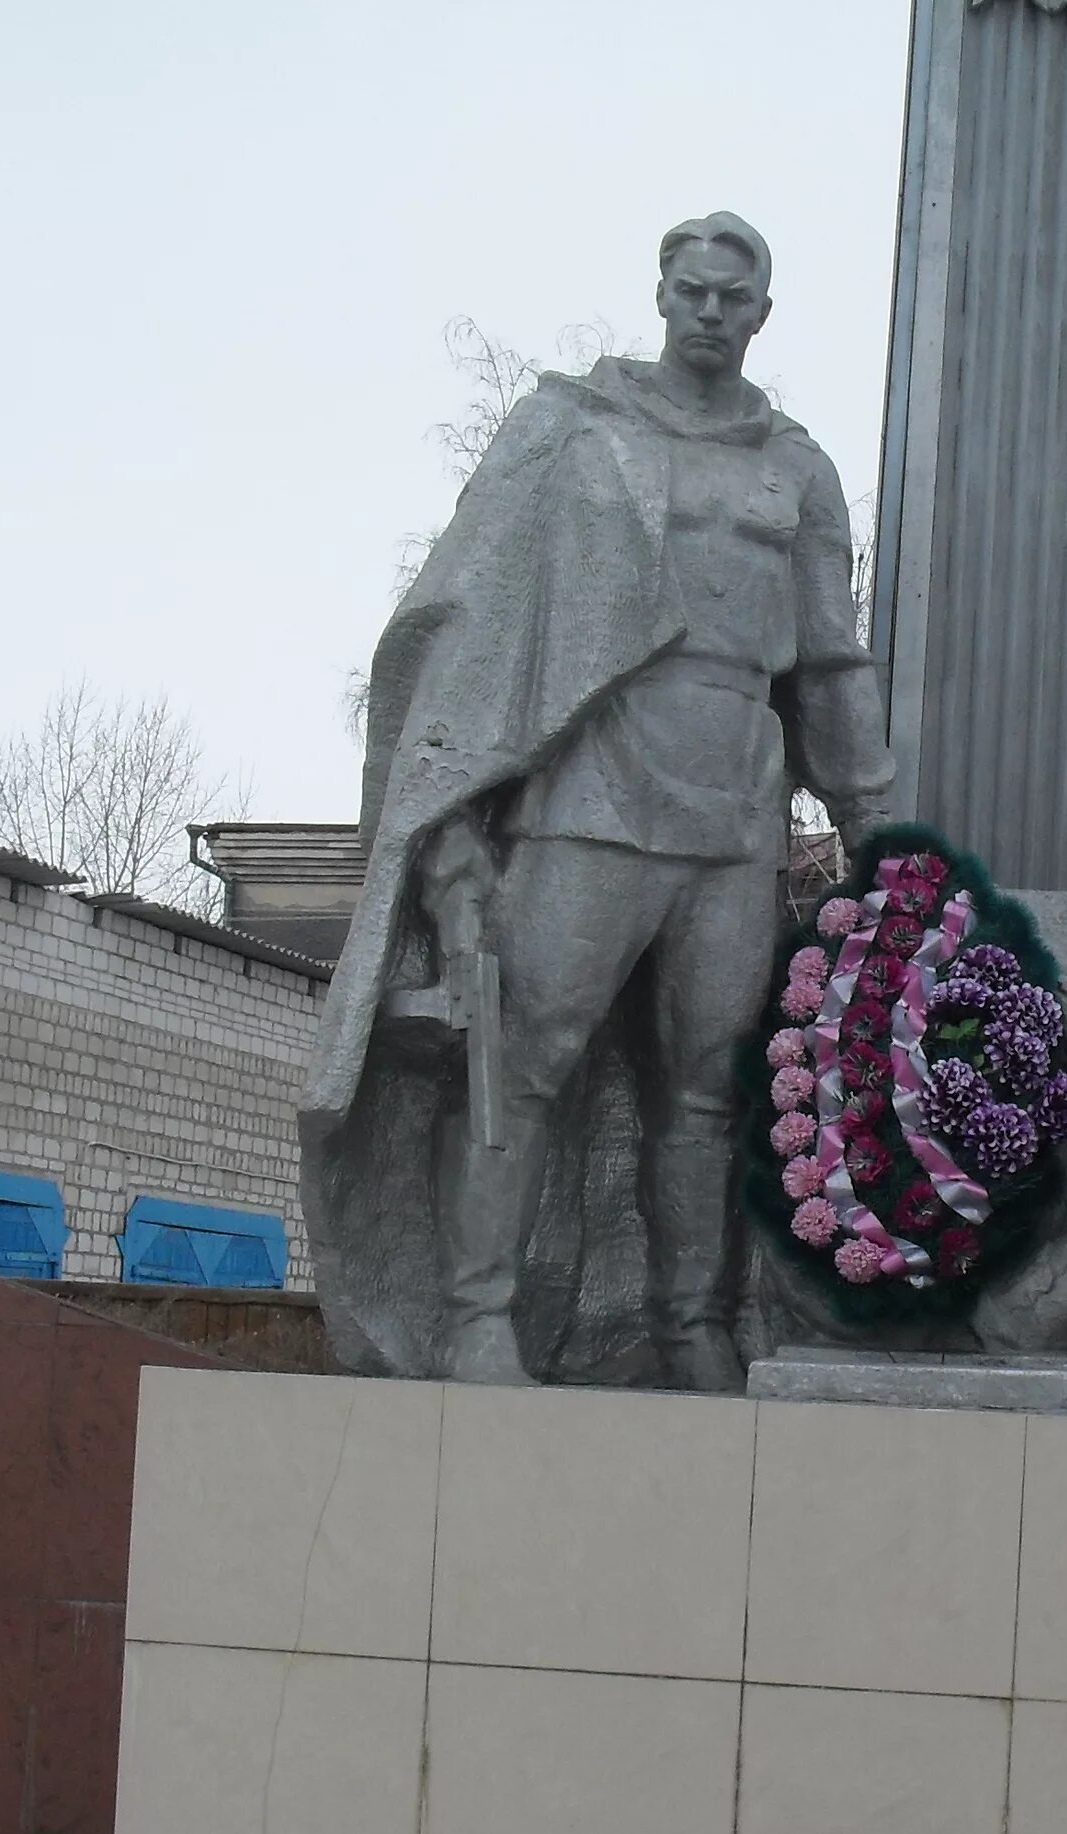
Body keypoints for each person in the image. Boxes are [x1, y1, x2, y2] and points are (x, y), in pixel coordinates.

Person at [302, 213, 891, 1386]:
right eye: (692, 290)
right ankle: (481, 1320)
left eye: (735, 296)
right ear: (663, 294)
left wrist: (875, 821)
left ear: (763, 313)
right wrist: (456, 821)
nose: (711, 311)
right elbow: (467, 616)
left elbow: (829, 660)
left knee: (711, 1086)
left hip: (735, 808)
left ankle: (695, 1328)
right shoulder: (572, 433)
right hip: (594, 791)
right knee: (523, 1059)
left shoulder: (797, 468)